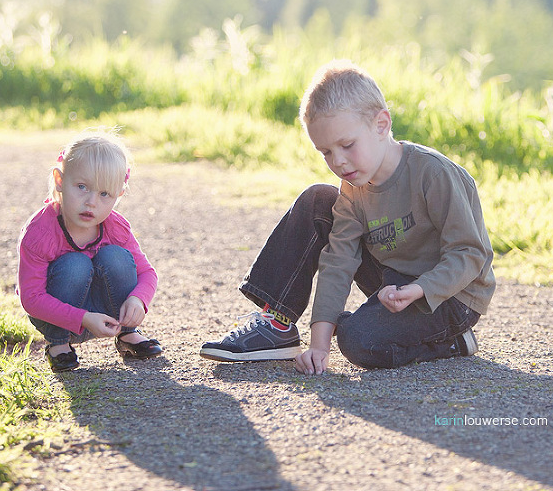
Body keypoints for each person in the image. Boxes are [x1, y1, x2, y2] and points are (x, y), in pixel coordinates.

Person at [200, 59, 496, 375]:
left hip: (451, 295)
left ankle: (451, 342)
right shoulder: (353, 187)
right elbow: (338, 261)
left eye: (347, 145)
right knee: (318, 199)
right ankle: (278, 322)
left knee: (357, 340)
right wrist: (319, 344)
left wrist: (422, 289)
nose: (338, 161)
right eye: (325, 152)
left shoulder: (433, 174)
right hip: (395, 283)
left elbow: (470, 253)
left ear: (381, 124)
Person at [17, 130, 163, 372]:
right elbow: (31, 298)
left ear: (119, 195)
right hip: (59, 315)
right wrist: (82, 318)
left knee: (117, 257)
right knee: (75, 264)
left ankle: (127, 334)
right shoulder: (39, 233)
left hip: (106, 316)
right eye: (82, 187)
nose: (92, 202)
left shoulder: (116, 227)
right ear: (60, 180)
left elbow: (148, 273)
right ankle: (58, 344)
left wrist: (139, 299)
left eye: (105, 194)